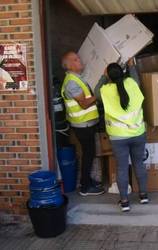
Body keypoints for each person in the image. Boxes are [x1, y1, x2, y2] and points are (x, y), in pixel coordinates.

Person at [96, 62, 148, 212]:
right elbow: (135, 78)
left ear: (109, 75)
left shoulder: (105, 90)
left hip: (118, 137)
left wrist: (104, 76)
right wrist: (131, 65)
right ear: (123, 72)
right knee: (139, 164)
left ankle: (125, 201)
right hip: (138, 133)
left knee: (122, 168)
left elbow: (95, 91)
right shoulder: (132, 83)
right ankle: (143, 195)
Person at [61, 51, 104, 196]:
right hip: (82, 125)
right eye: (77, 59)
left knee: (89, 153)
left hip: (86, 124)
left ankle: (87, 181)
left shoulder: (77, 78)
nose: (80, 60)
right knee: (88, 153)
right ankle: (85, 187)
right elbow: (84, 104)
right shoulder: (72, 82)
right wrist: (98, 95)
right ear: (71, 65)